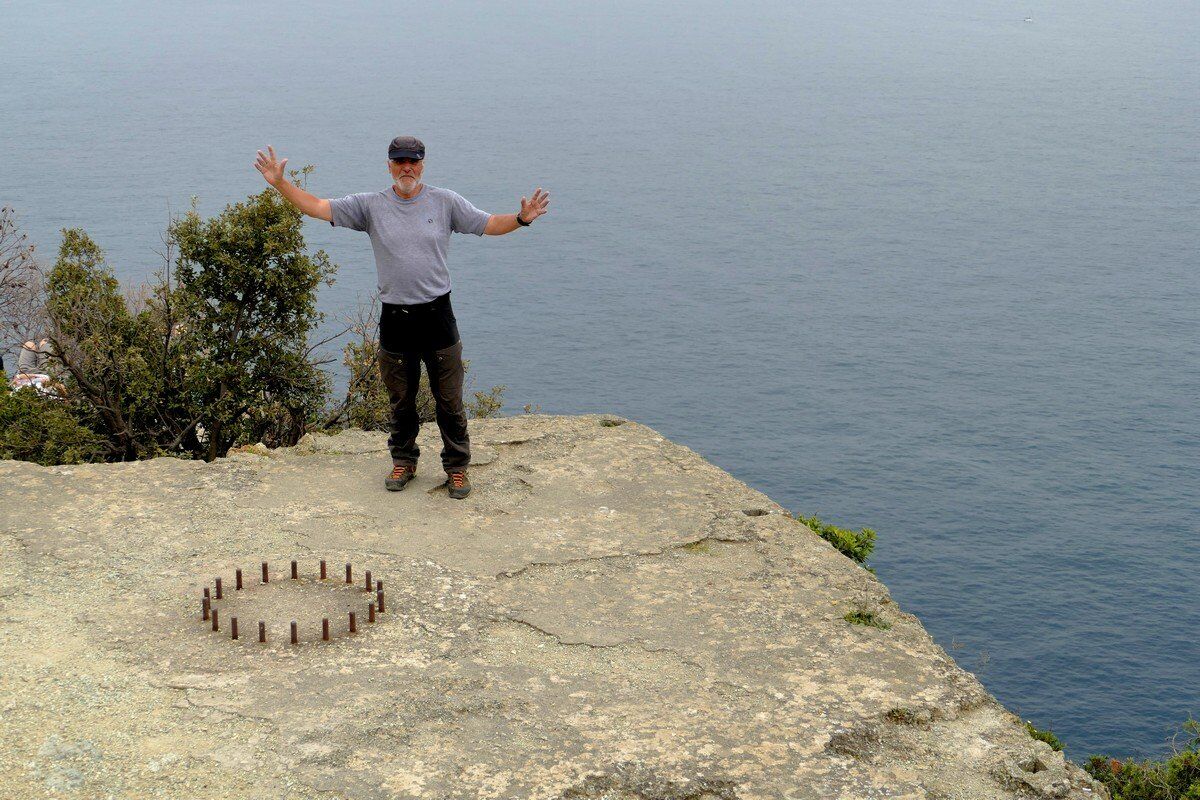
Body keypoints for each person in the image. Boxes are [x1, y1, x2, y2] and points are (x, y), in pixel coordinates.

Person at [254, 137, 550, 499]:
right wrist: (280, 183)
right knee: (401, 400)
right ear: (389, 166)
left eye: (413, 161)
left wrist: (521, 219)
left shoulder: (445, 201)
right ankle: (404, 461)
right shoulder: (370, 206)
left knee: (449, 400)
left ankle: (457, 468)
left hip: (438, 314)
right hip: (396, 317)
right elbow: (316, 207)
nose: (406, 167)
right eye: (399, 161)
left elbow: (487, 224)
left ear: (422, 165)